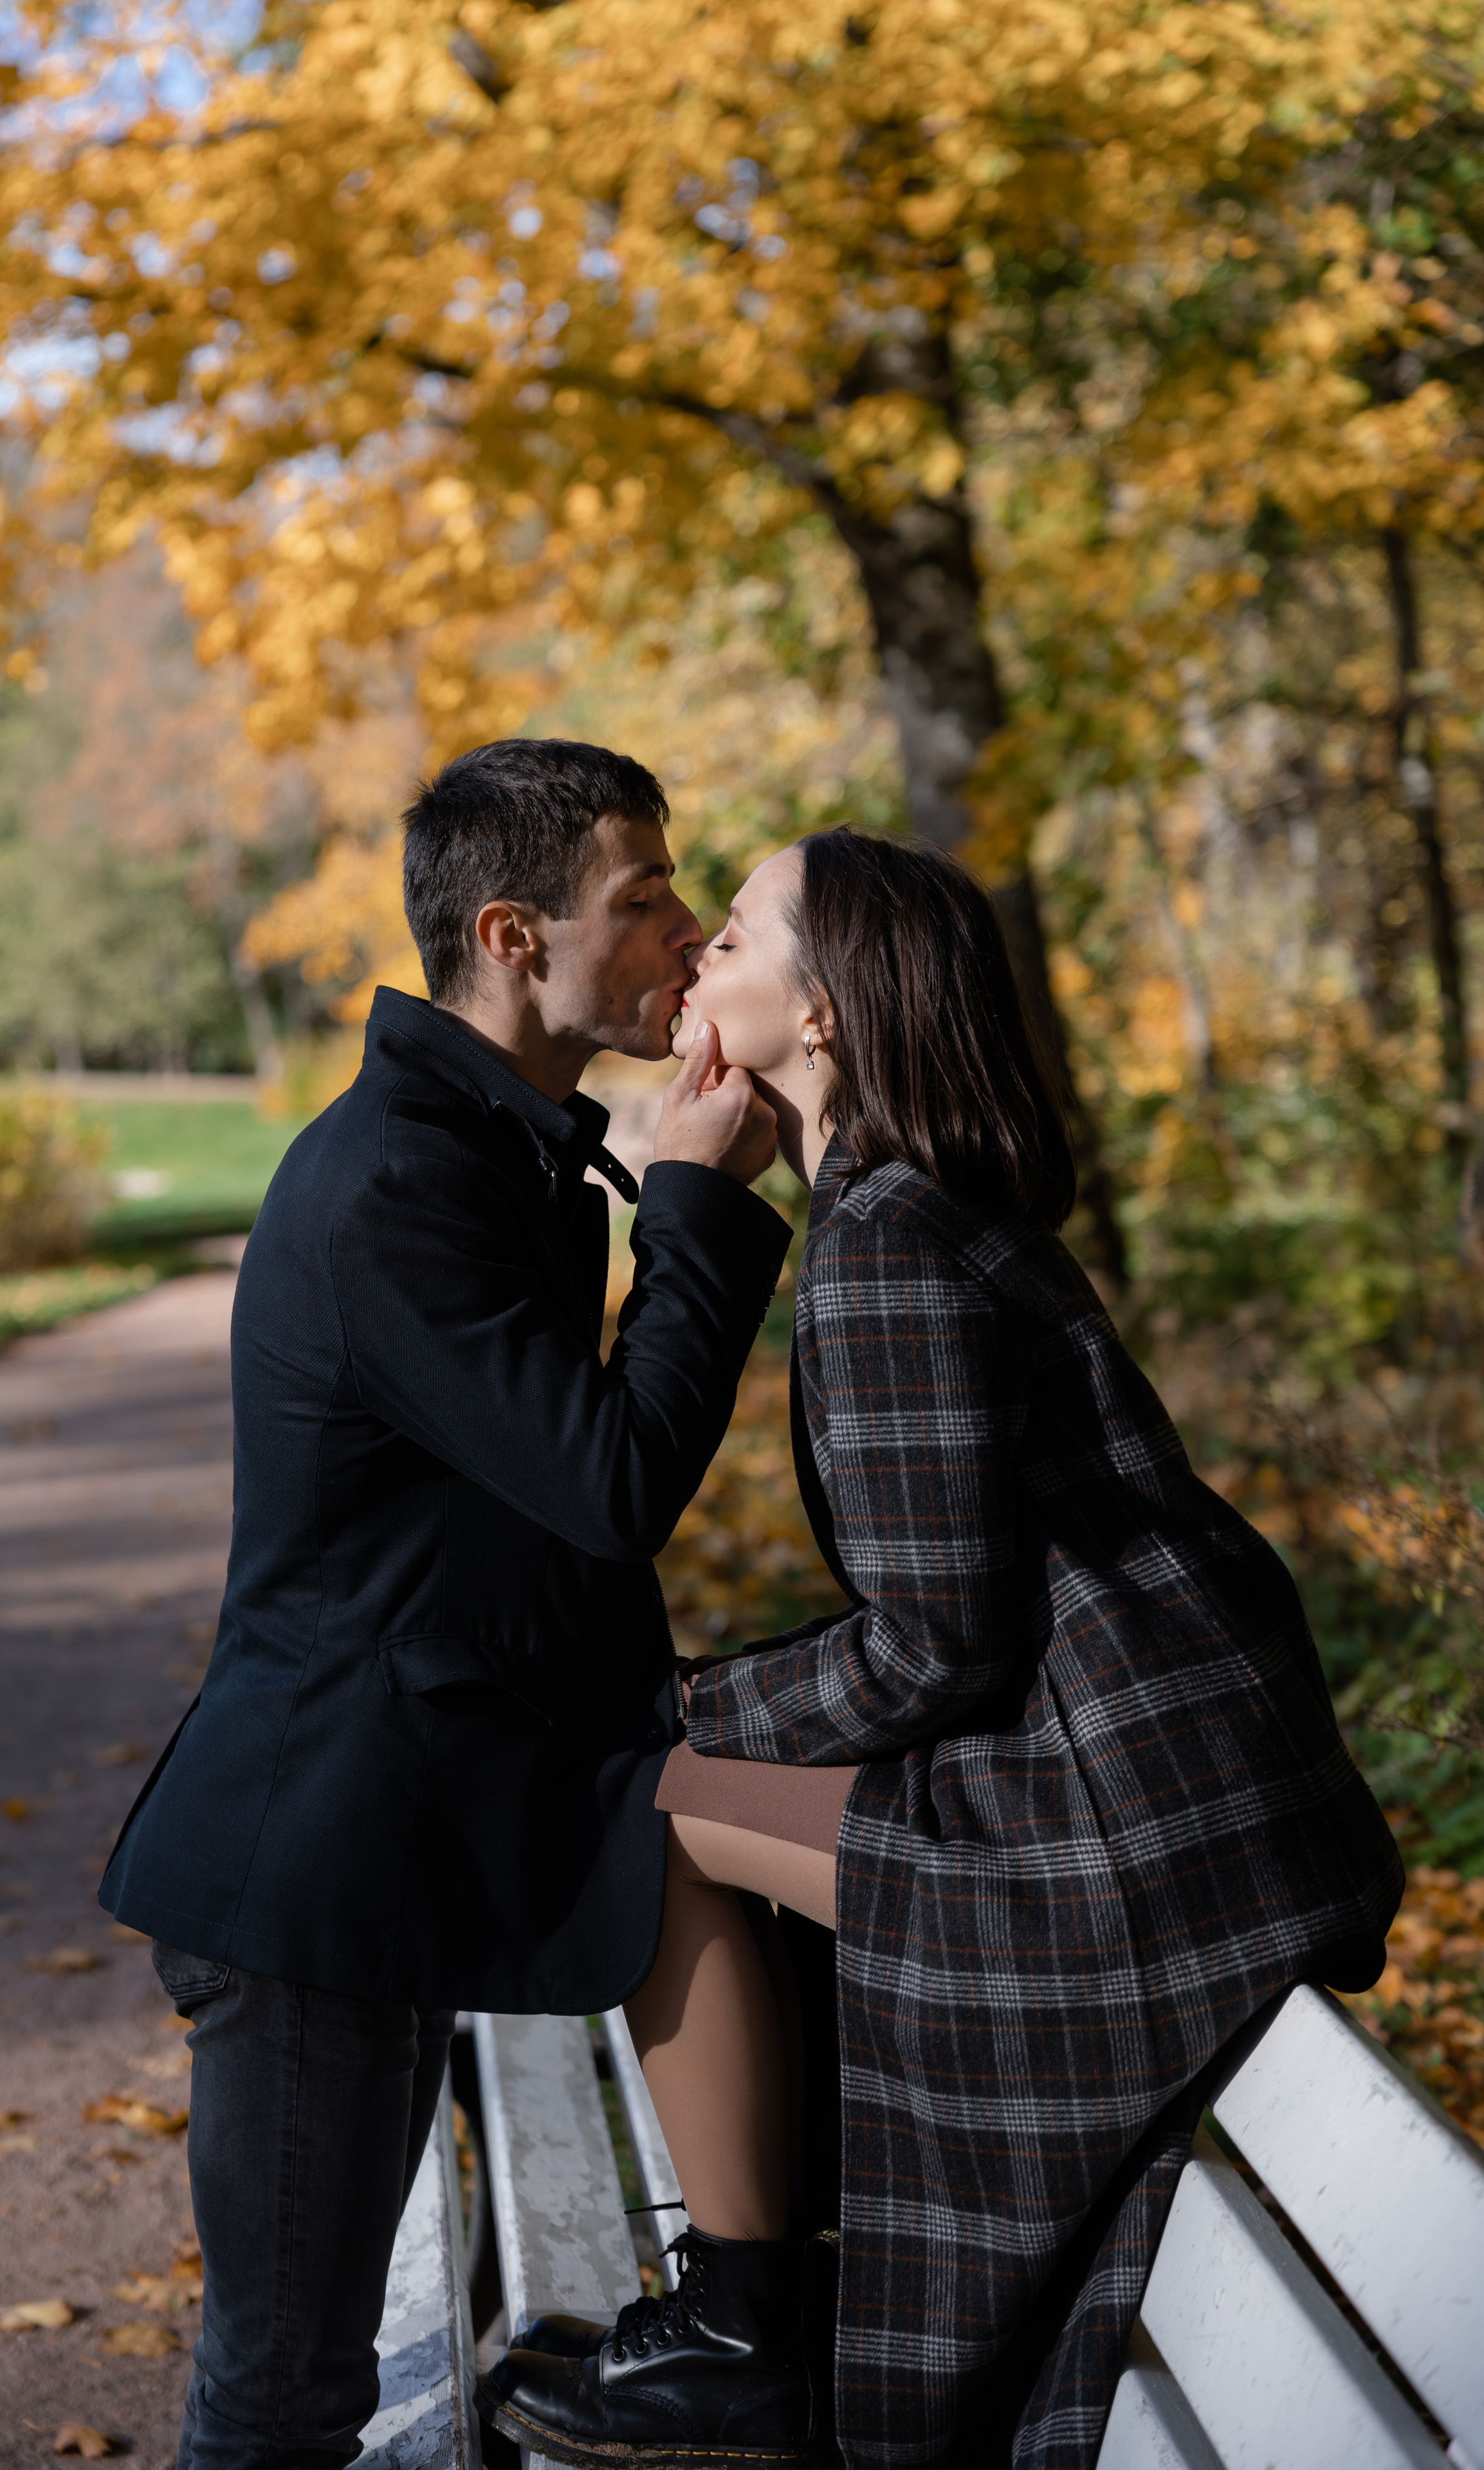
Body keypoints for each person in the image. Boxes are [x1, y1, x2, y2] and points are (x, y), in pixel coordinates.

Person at [481, 828, 1404, 2470]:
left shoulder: (885, 1246)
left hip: (1119, 1841)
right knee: (670, 1775)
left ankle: (740, 2333)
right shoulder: (911, 1207)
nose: (695, 955)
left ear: (822, 1013)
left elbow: (931, 1651)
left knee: (633, 1803)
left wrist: (689, 1701)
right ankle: (756, 2294)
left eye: (735, 935)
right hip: (1184, 1798)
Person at [99, 739, 794, 2470]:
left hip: (393, 1844)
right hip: (311, 1877)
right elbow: (614, 1486)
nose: (687, 936)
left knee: (296, 2390)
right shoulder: (406, 1183)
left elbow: (543, 1544)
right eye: (644, 900)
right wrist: (700, 1202)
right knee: (285, 2399)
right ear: (511, 934)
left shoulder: (489, 1156)